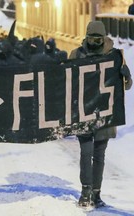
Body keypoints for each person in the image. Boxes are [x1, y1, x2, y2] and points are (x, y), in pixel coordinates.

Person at [69, 21, 132, 208]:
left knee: (99, 155)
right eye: (91, 38)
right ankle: (85, 192)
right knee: (85, 153)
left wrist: (126, 76)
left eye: (98, 38)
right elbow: (66, 84)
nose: (94, 41)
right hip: (84, 113)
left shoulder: (115, 56)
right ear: (86, 36)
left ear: (104, 37)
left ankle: (96, 193)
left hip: (105, 115)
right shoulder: (77, 54)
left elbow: (126, 86)